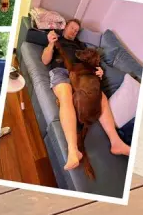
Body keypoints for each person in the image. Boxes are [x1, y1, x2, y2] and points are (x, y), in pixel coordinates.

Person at [42, 19, 131, 172]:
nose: (73, 32)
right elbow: (45, 60)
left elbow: (91, 62)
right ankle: (73, 150)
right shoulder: (57, 40)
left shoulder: (80, 46)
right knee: (65, 95)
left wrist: (99, 70)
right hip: (61, 71)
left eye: (76, 31)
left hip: (81, 74)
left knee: (99, 95)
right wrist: (50, 44)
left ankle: (116, 142)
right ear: (65, 27)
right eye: (72, 28)